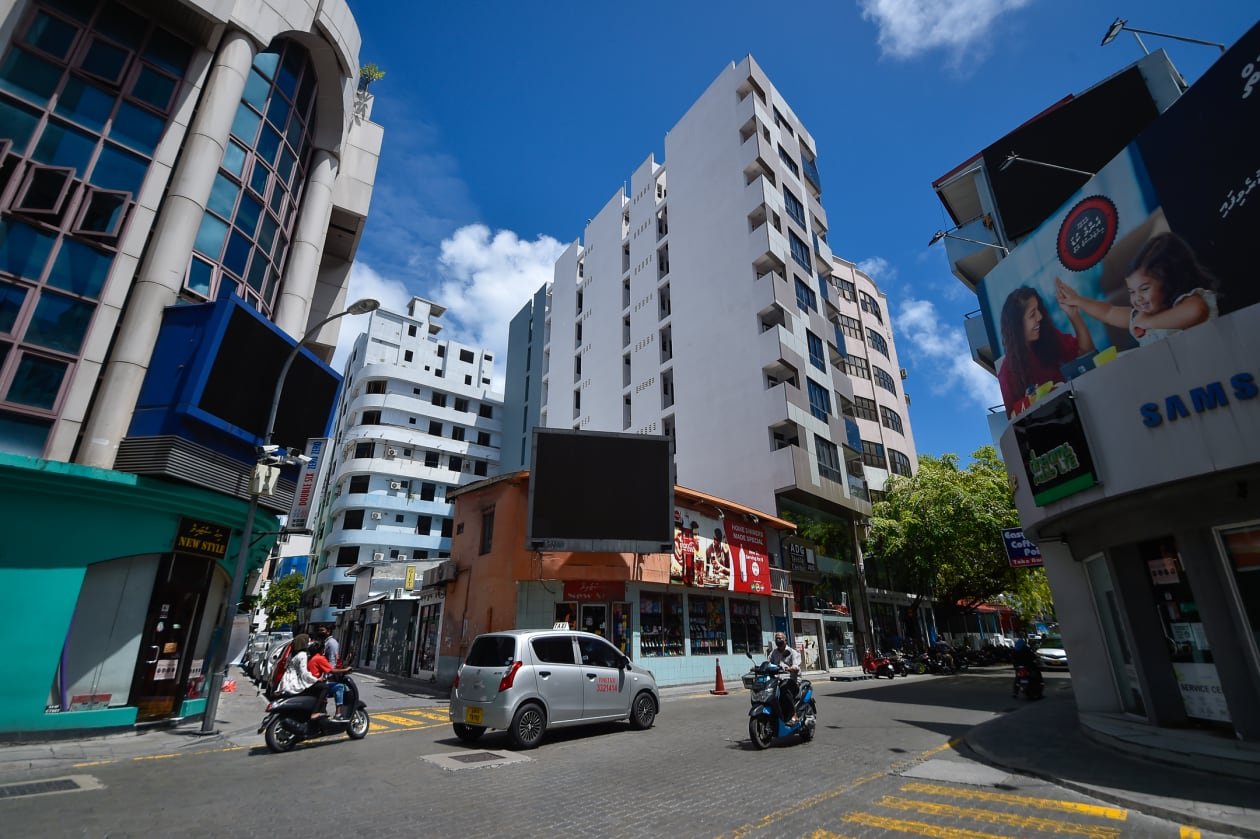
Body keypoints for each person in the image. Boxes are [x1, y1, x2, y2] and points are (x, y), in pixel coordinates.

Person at [1054, 232, 1218, 347]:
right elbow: (1108, 312)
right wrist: (1078, 300)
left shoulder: (1188, 301)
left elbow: (1196, 310)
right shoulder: (1142, 316)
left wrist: (1148, 323)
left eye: (1144, 289)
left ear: (1169, 282)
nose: (1137, 298)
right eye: (1132, 292)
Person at [997, 286, 1095, 417]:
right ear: (1017, 326)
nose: (1040, 316)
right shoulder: (1006, 374)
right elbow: (1012, 418)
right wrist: (1031, 402)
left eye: (1038, 310)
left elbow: (1087, 352)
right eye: (1032, 314)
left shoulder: (1046, 336)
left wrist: (1074, 315)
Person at [277, 633, 328, 720]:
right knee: (324, 687)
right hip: (294, 683)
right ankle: (315, 712)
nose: (309, 643)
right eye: (308, 641)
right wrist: (316, 679)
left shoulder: (293, 654)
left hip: (286, 682)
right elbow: (304, 673)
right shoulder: (302, 655)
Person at [307, 639, 353, 720]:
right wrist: (345, 670)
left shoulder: (311, 658)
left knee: (328, 685)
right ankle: (338, 714)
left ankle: (324, 709)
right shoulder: (319, 658)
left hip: (311, 683)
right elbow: (332, 670)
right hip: (316, 684)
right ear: (321, 649)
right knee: (339, 686)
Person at [768, 632, 801, 724]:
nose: (778, 640)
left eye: (780, 638)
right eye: (776, 638)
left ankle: (794, 714)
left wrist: (791, 668)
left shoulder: (792, 652)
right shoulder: (773, 653)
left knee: (784, 688)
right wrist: (759, 668)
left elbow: (796, 665)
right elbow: (768, 663)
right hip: (777, 680)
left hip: (791, 679)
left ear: (785, 640)